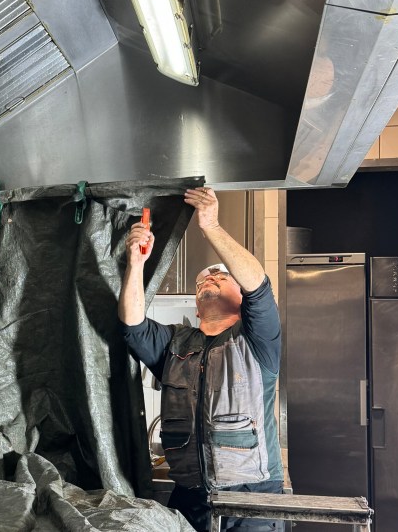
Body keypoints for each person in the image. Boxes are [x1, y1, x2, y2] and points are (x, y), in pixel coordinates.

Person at [119, 187, 284, 531]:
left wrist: (211, 226)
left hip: (251, 499)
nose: (209, 277)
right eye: (202, 281)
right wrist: (136, 263)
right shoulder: (175, 343)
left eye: (222, 277)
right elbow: (133, 326)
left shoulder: (256, 339)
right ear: (196, 308)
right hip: (189, 499)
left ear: (241, 299)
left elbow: (258, 285)